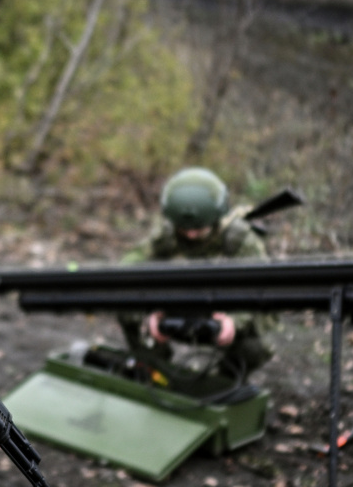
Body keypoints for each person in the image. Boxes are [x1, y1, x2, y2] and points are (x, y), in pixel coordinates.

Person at [115, 167, 272, 392]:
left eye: (199, 228)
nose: (190, 234)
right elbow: (126, 271)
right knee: (124, 308)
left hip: (220, 316)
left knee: (256, 344)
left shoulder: (239, 239)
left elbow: (261, 287)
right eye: (184, 228)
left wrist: (235, 321)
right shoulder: (165, 236)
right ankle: (154, 368)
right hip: (172, 313)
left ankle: (225, 382)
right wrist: (147, 317)